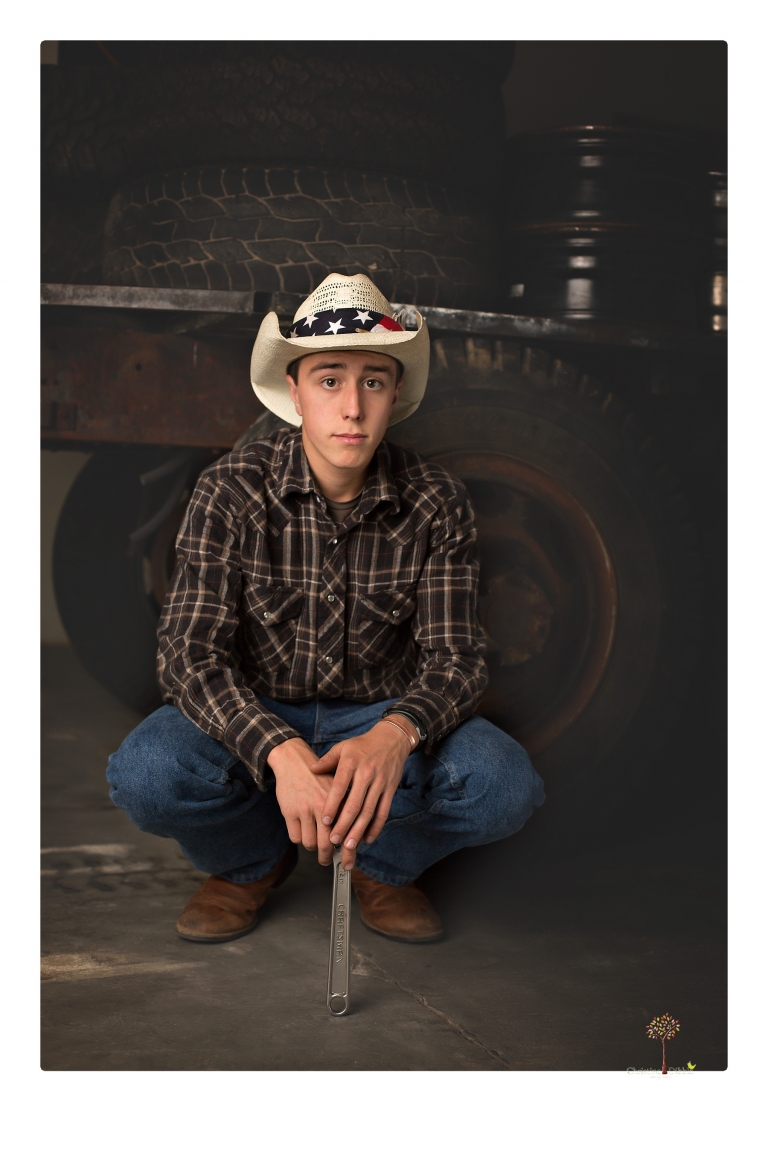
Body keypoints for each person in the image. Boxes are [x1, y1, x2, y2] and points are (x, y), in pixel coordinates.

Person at [106, 273, 545, 945]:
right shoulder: (229, 491)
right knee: (145, 775)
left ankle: (383, 865)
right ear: (296, 392)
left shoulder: (435, 500)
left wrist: (394, 736)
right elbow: (190, 656)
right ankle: (250, 862)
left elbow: (457, 658)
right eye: (329, 380)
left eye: (373, 381)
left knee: (504, 786)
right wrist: (277, 751)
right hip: (261, 709)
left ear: (395, 395)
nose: (352, 408)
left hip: (378, 713)